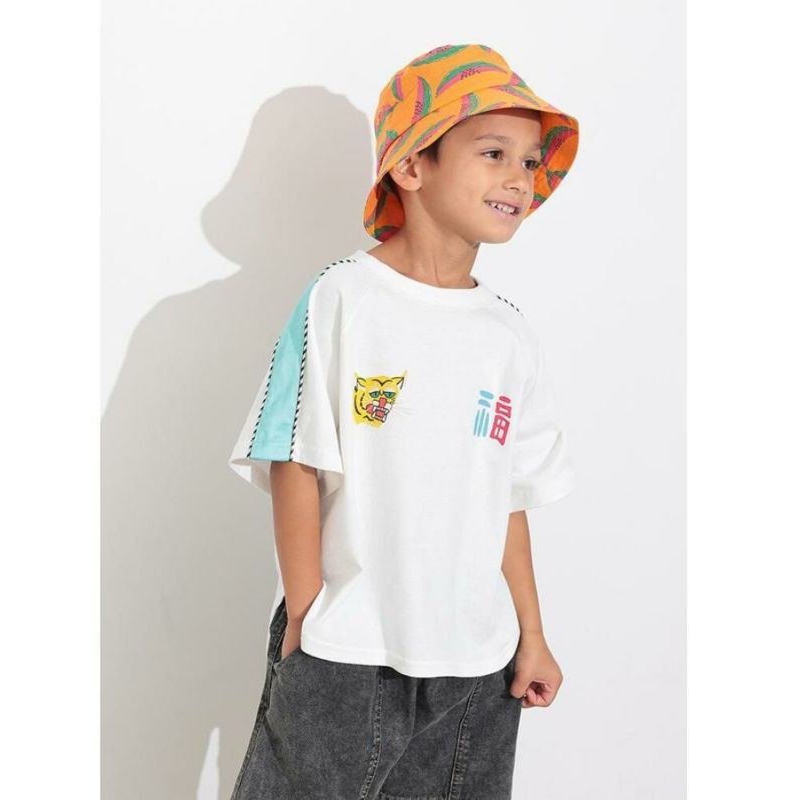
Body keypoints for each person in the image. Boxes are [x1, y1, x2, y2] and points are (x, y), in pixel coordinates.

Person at [227, 42, 580, 800]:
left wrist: (532, 635)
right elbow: (295, 457)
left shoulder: (508, 333)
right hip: (347, 652)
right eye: (493, 153)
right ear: (413, 166)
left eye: (529, 161)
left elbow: (507, 498)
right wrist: (307, 613)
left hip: (478, 666)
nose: (519, 178)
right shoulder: (343, 299)